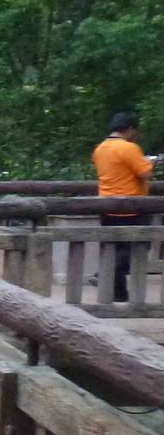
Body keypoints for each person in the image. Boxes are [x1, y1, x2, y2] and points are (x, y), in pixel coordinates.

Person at [92, 110, 156, 302]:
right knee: (140, 246)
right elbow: (145, 173)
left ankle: (119, 294)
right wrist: (151, 163)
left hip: (107, 205)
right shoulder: (129, 148)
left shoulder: (100, 149)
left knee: (113, 247)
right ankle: (104, 273)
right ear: (129, 129)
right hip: (132, 205)